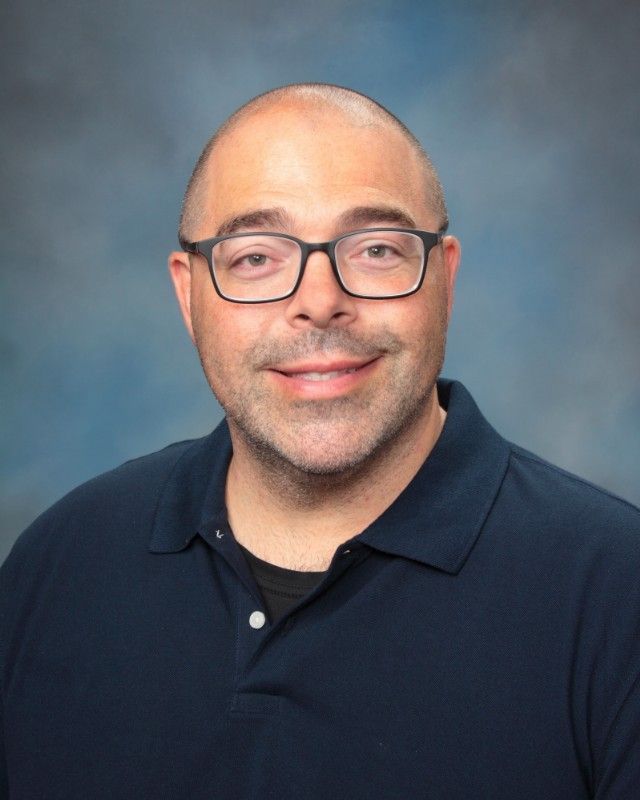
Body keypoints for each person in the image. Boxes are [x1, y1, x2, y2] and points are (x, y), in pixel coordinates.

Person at [1, 83, 638, 799]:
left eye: (375, 249)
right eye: (255, 258)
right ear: (188, 294)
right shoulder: (58, 565)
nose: (319, 301)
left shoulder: (617, 595)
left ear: (444, 277)